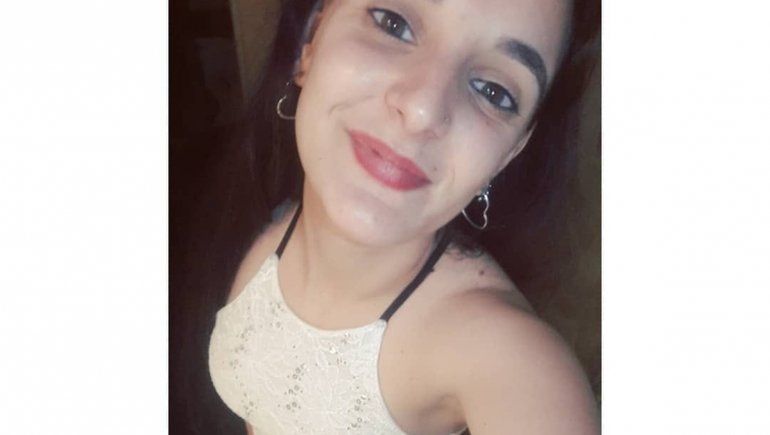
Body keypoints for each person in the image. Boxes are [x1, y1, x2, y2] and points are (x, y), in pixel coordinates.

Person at [207, 0, 600, 433]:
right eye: (393, 24)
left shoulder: (507, 356)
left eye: (494, 91)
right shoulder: (261, 217)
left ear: (509, 153)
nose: (422, 111)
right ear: (310, 43)